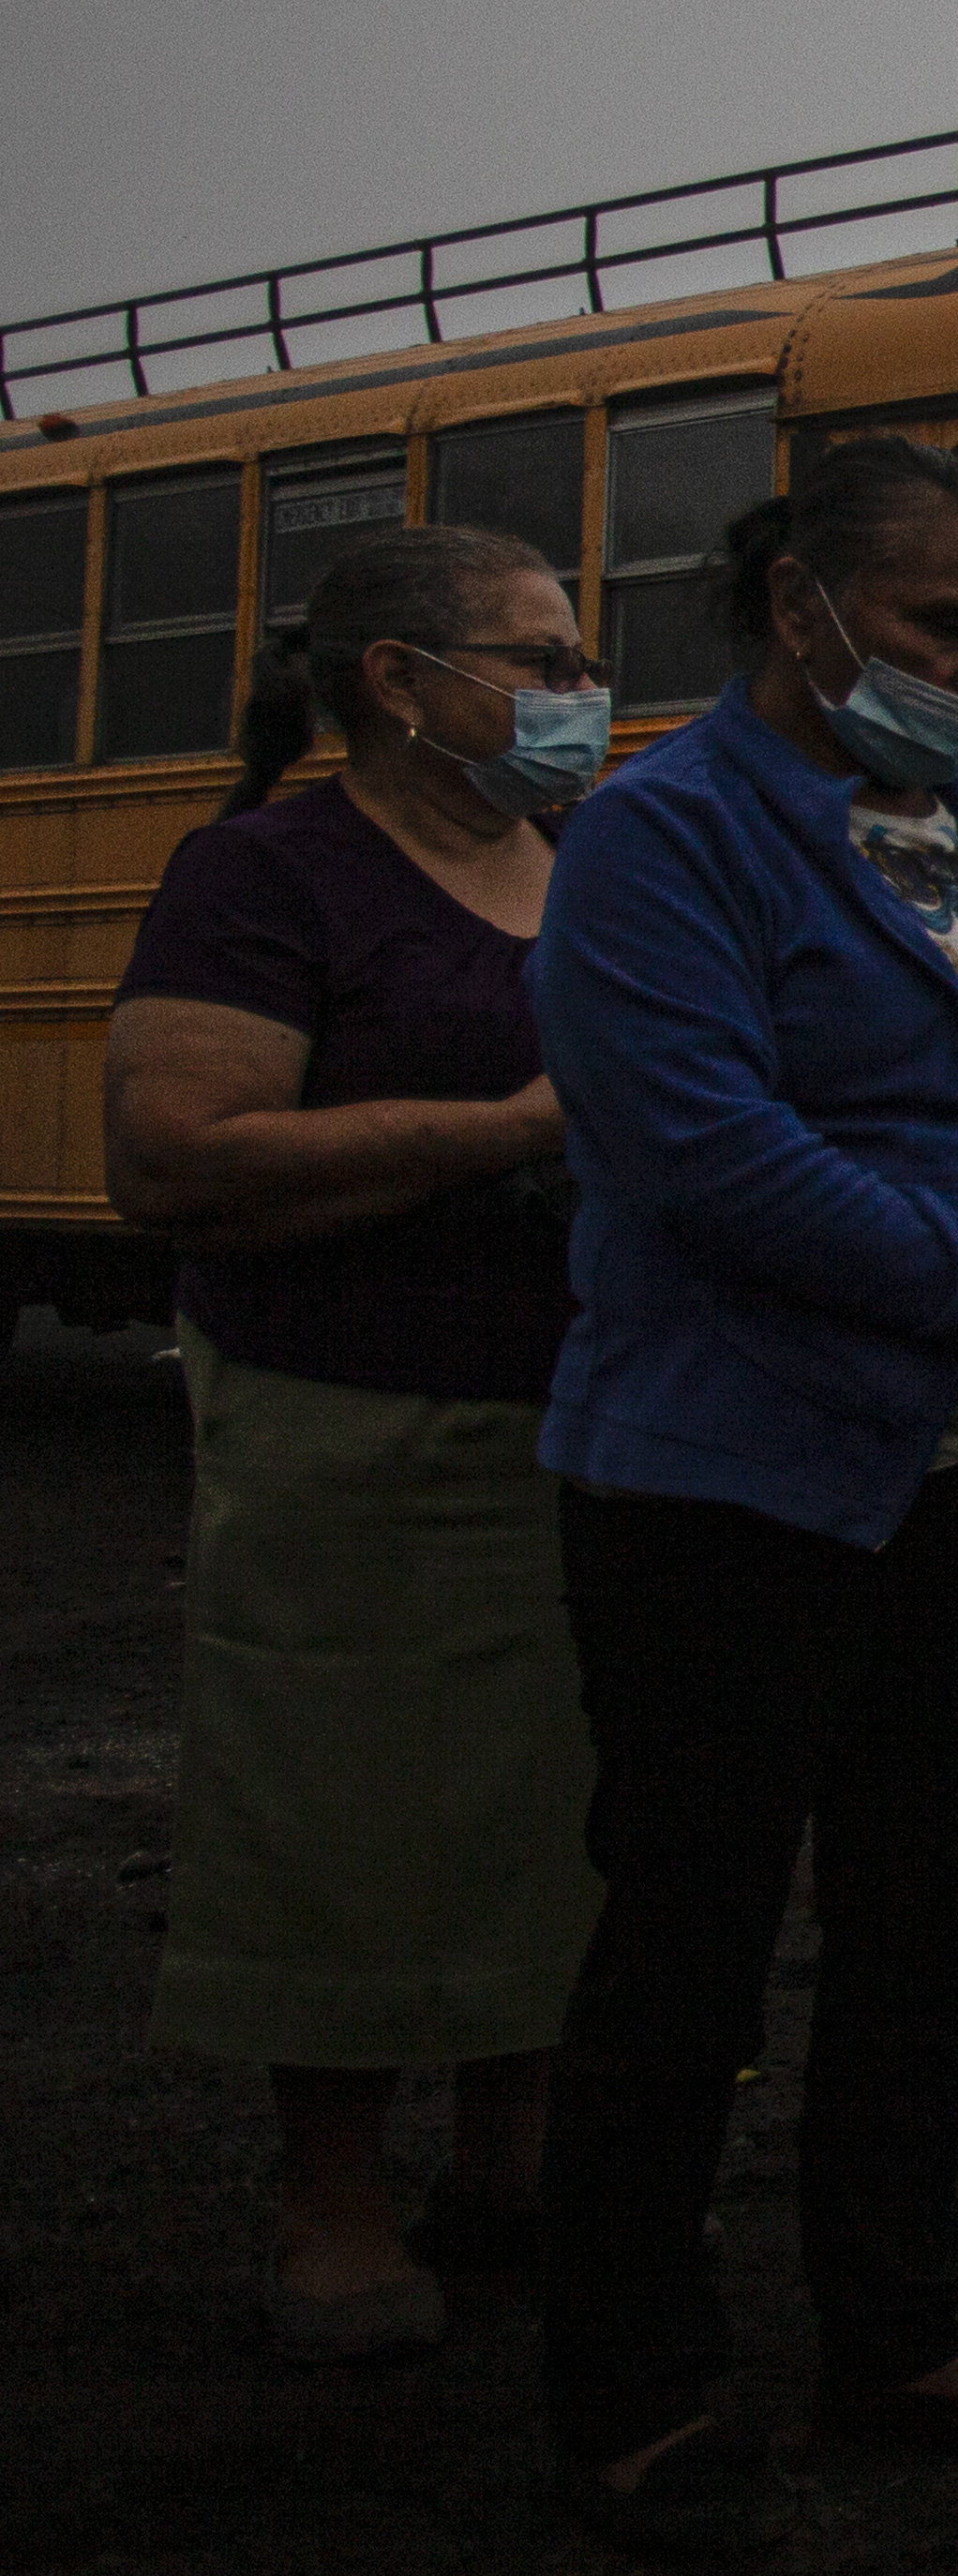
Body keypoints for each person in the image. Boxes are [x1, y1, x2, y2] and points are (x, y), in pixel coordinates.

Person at [531, 441, 958, 2554]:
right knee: (695, 1931)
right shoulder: (660, 837)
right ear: (798, 609)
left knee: (930, 1920)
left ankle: (896, 2325)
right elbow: (708, 1154)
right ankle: (637, 2391)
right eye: (944, 629)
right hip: (737, 1467)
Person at [107, 526, 606, 2366]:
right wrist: (506, 1132)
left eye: (578, 656)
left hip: (573, 1422)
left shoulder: (578, 863)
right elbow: (173, 1162)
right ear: (397, 681)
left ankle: (510, 2162)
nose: (576, 694)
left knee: (546, 1813)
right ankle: (333, 2200)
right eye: (540, 659)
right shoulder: (264, 875)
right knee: (336, 1808)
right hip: (350, 1431)